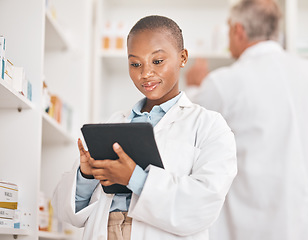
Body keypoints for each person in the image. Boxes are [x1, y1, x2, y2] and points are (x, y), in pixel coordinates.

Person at [52, 15, 237, 240]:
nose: (146, 73)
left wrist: (134, 178)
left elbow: (204, 204)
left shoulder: (209, 126)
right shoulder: (112, 123)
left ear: (182, 57)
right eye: (135, 64)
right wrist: (86, 174)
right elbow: (69, 214)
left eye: (157, 61)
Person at [185, 0, 308, 240]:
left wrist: (194, 87)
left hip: (262, 230)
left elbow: (186, 130)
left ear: (238, 30)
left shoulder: (225, 83)